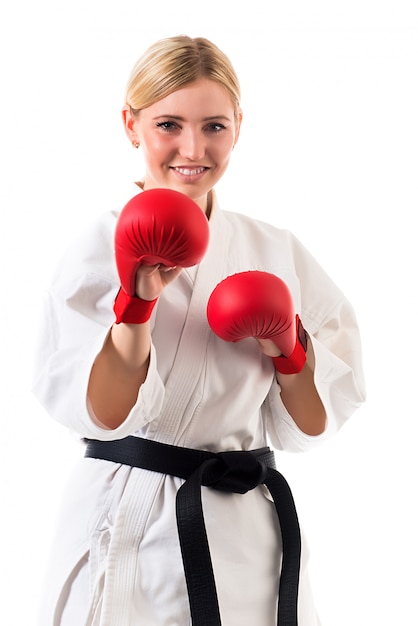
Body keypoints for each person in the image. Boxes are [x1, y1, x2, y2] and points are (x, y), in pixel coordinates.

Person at [33, 35, 366, 626]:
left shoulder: (276, 250)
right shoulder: (98, 244)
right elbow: (103, 415)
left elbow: (311, 429)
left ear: (239, 126)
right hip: (135, 515)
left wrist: (289, 350)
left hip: (249, 530)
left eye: (214, 125)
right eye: (169, 124)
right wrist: (136, 306)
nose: (194, 148)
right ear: (130, 125)